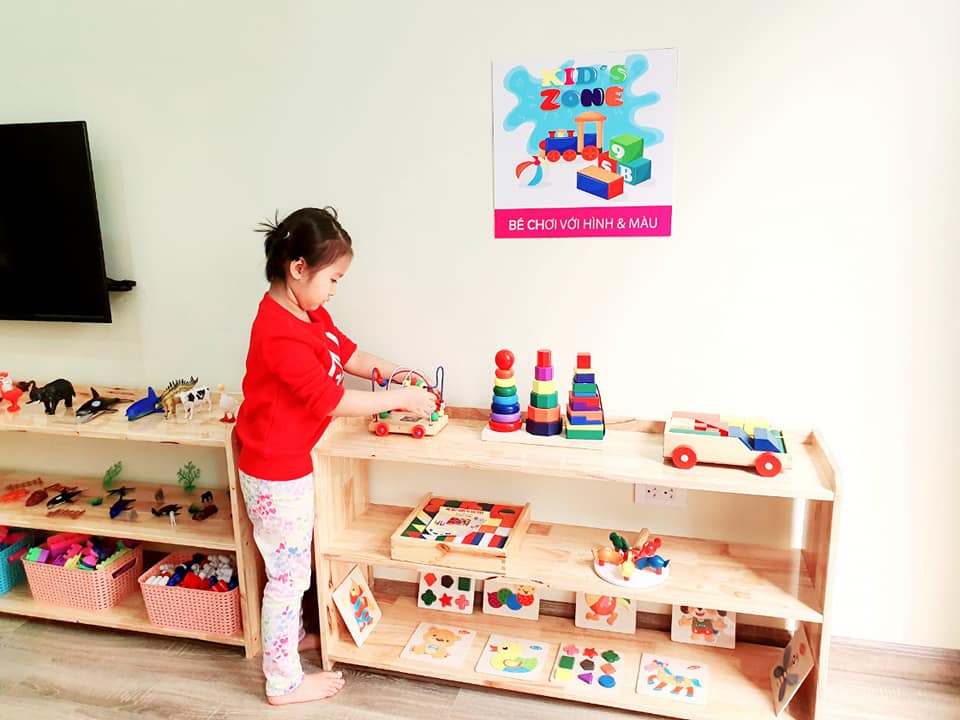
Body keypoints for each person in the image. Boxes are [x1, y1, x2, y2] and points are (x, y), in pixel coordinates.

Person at [235, 207, 436, 705]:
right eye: (333, 279)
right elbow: (330, 400)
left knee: (293, 567)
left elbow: (349, 356)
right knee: (286, 579)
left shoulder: (308, 312)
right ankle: (283, 682)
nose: (334, 291)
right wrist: (400, 400)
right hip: (275, 469)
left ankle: (290, 639)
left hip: (293, 461)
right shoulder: (276, 331)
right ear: (297, 268)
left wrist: (399, 375)